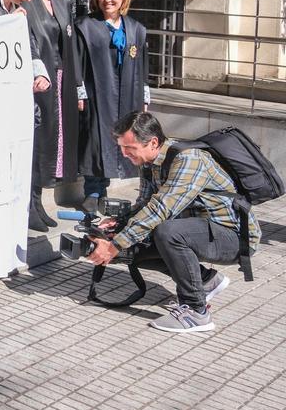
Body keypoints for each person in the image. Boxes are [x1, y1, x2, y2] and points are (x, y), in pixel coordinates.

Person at [91, 111, 260, 333]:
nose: (124, 154)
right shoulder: (149, 162)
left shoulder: (189, 159)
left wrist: (114, 246)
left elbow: (162, 208)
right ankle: (206, 281)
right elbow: (145, 204)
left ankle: (196, 312)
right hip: (199, 231)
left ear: (152, 142)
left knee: (167, 232)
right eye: (122, 148)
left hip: (233, 236)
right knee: (130, 248)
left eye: (129, 148)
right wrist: (119, 225)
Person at [78, 0, 150, 213]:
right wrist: (79, 91)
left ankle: (105, 188)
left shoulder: (136, 29)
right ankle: (93, 190)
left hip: (127, 93)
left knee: (119, 137)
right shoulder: (86, 27)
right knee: (95, 139)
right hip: (96, 91)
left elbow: (144, 66)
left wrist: (145, 98)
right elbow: (77, 63)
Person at [26, 0, 81, 231]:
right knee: (36, 142)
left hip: (60, 78)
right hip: (39, 78)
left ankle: (38, 202)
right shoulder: (30, 0)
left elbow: (68, 41)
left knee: (51, 144)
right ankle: (29, 204)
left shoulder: (60, 0)